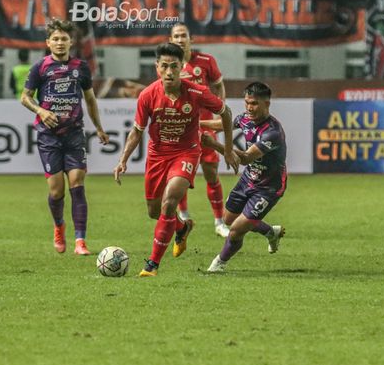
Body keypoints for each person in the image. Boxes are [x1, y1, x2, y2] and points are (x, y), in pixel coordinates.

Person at [113, 42, 239, 277]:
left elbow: (226, 112)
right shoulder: (148, 95)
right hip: (157, 156)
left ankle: (152, 264)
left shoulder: (195, 91)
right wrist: (123, 160)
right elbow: (137, 130)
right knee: (154, 212)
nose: (169, 71)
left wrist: (229, 150)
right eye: (164, 66)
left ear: (182, 67)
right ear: (157, 67)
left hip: (187, 152)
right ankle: (181, 228)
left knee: (169, 202)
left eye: (174, 66)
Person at [21, 18, 110, 255]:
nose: (60, 43)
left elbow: (90, 99)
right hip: (48, 136)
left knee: (77, 184)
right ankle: (59, 226)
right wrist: (41, 110)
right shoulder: (40, 67)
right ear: (48, 42)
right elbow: (25, 97)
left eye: (64, 39)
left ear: (71, 42)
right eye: (56, 39)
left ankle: (80, 240)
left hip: (74, 135)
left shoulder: (80, 67)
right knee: (56, 191)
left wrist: (99, 127)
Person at [200, 82, 288, 273]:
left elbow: (247, 158)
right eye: (247, 102)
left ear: (267, 104)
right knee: (228, 219)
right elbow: (222, 124)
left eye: (254, 103)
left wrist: (214, 145)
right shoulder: (245, 118)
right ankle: (270, 232)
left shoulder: (272, 132)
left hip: (269, 187)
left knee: (236, 230)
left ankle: (218, 264)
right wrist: (196, 124)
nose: (249, 107)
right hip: (249, 179)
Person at [169, 23, 230, 238]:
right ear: (171, 39)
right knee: (180, 175)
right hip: (180, 130)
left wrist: (219, 110)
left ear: (190, 38)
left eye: (183, 35)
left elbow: (219, 85)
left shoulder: (205, 61)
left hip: (204, 127)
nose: (179, 39)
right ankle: (184, 216)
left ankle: (219, 222)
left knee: (211, 172)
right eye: (175, 36)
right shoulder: (169, 65)